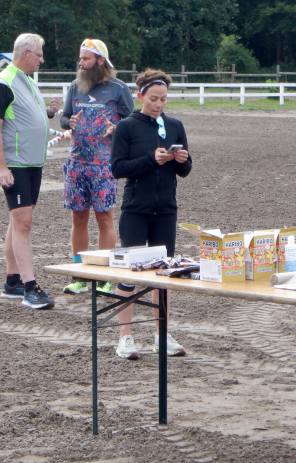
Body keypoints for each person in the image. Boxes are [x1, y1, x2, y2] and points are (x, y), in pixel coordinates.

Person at [111, 69, 192, 359]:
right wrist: (150, 160)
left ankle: (161, 333)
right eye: (154, 99)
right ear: (140, 96)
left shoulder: (174, 125)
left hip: (166, 209)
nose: (159, 104)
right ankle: (125, 336)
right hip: (135, 209)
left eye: (163, 99)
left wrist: (182, 160)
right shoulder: (127, 127)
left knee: (164, 273)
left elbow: (184, 170)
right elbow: (117, 168)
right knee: (130, 273)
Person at [0, 33, 60, 309]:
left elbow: (28, 115)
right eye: (40, 54)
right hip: (15, 164)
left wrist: (49, 112)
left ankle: (12, 281)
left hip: (32, 163)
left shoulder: (27, 81)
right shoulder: (3, 83)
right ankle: (31, 287)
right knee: (23, 223)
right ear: (26, 53)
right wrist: (1, 167)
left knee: (18, 222)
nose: (42, 59)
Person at [60, 39, 134, 295]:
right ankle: (80, 274)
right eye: (81, 59)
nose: (81, 63)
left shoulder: (118, 88)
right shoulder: (74, 87)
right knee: (78, 218)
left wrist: (118, 128)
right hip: (77, 163)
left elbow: (132, 120)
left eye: (86, 59)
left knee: (105, 219)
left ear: (100, 61)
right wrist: (68, 121)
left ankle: (103, 277)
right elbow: (63, 118)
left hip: (104, 165)